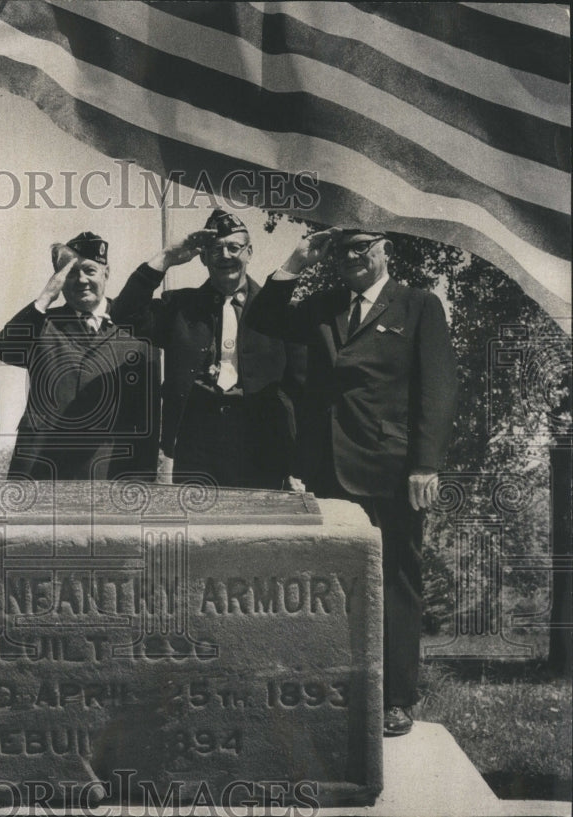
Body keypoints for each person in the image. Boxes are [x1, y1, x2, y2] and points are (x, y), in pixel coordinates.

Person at [245, 227, 459, 736]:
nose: (351, 257)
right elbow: (265, 319)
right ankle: (334, 693)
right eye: (341, 249)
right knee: (330, 585)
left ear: (385, 249)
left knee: (396, 582)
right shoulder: (322, 306)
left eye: (362, 247)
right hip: (326, 469)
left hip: (391, 469)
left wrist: (425, 465)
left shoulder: (418, 306)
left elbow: (438, 388)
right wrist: (296, 261)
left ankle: (395, 700)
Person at [110, 209, 304, 489]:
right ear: (202, 257)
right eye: (215, 249)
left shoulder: (277, 310)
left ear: (250, 252)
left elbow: (300, 386)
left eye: (234, 247)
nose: (225, 256)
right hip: (195, 444)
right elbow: (124, 315)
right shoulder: (180, 306)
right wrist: (165, 258)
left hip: (263, 444)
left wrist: (297, 461)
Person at [0, 232, 157, 481]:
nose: (81, 280)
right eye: (71, 273)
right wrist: (45, 297)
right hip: (41, 469)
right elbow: (4, 348)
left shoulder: (138, 330)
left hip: (109, 471)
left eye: (90, 270)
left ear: (106, 272)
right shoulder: (43, 323)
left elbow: (147, 419)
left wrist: (143, 480)